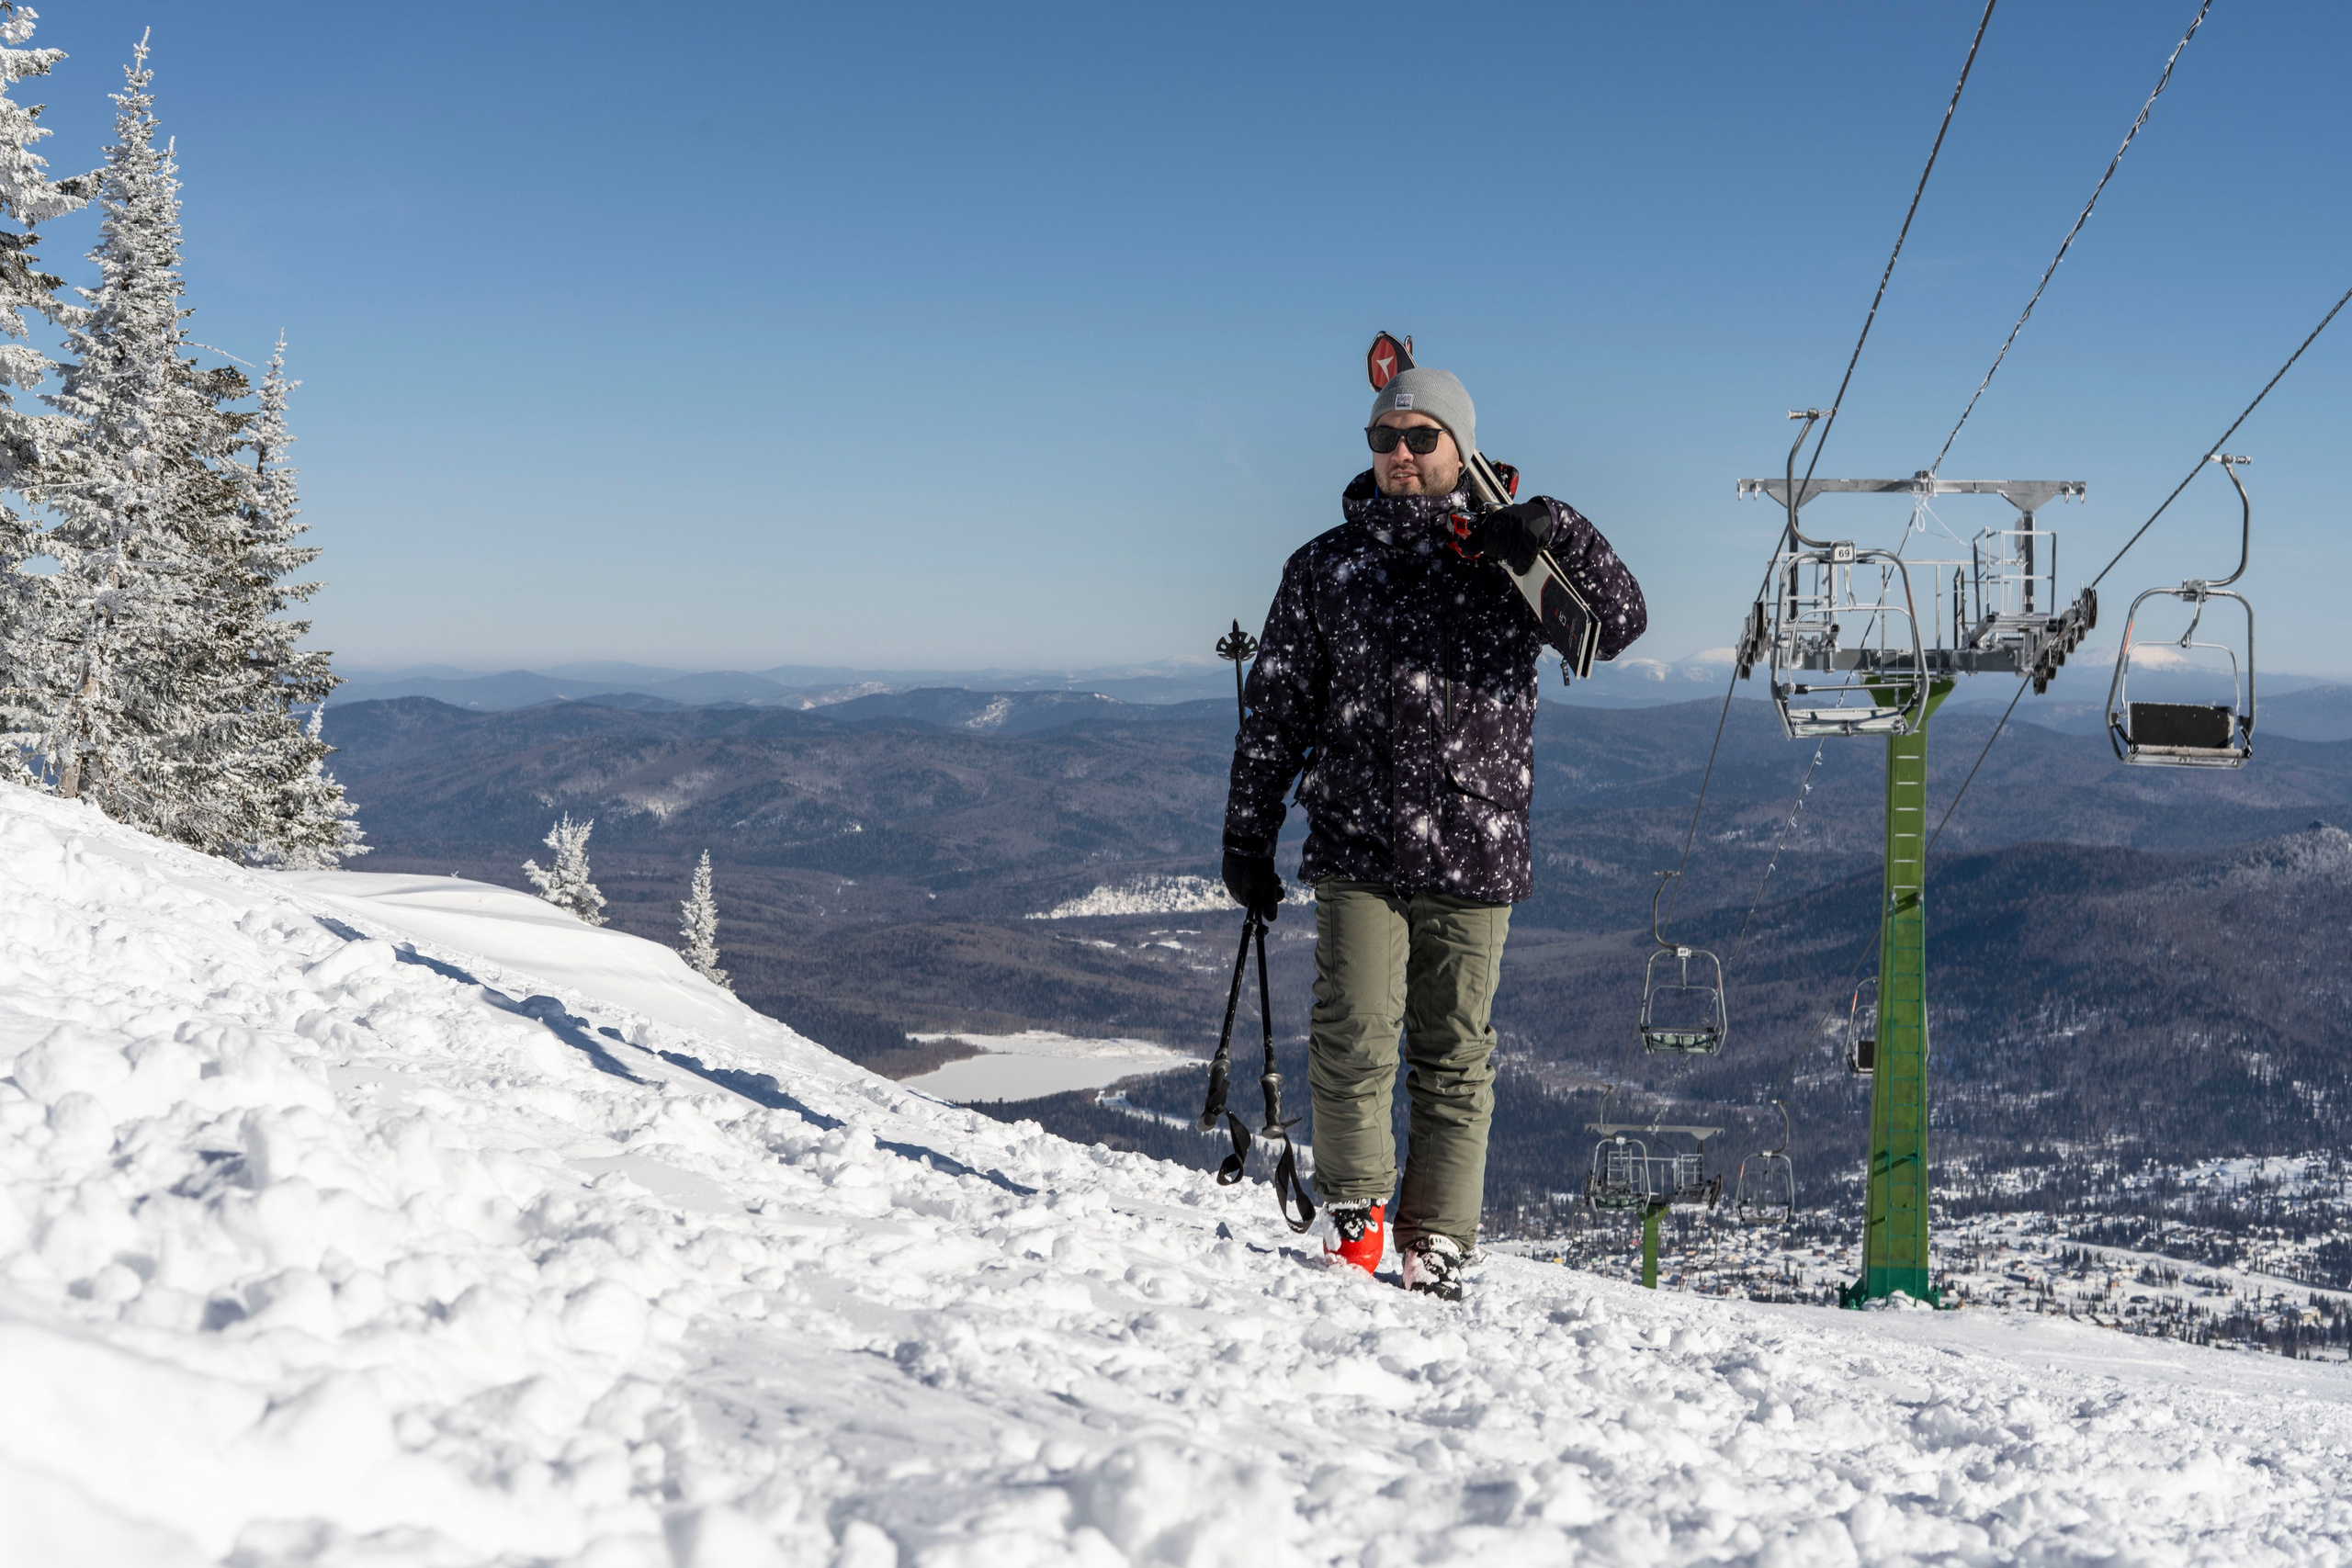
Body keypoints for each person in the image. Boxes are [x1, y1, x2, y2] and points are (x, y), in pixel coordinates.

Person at [1220, 364, 1646, 1299]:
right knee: (1351, 1029)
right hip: (1357, 841)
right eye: (1386, 438)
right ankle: (1357, 1211)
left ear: (1462, 448)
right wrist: (1246, 836)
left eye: (1422, 438)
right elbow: (1278, 711)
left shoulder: (1512, 559)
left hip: (1473, 840)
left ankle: (1440, 1236)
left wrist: (1558, 526)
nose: (1402, 454)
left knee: (1454, 1051)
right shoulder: (1325, 567)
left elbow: (1618, 623)